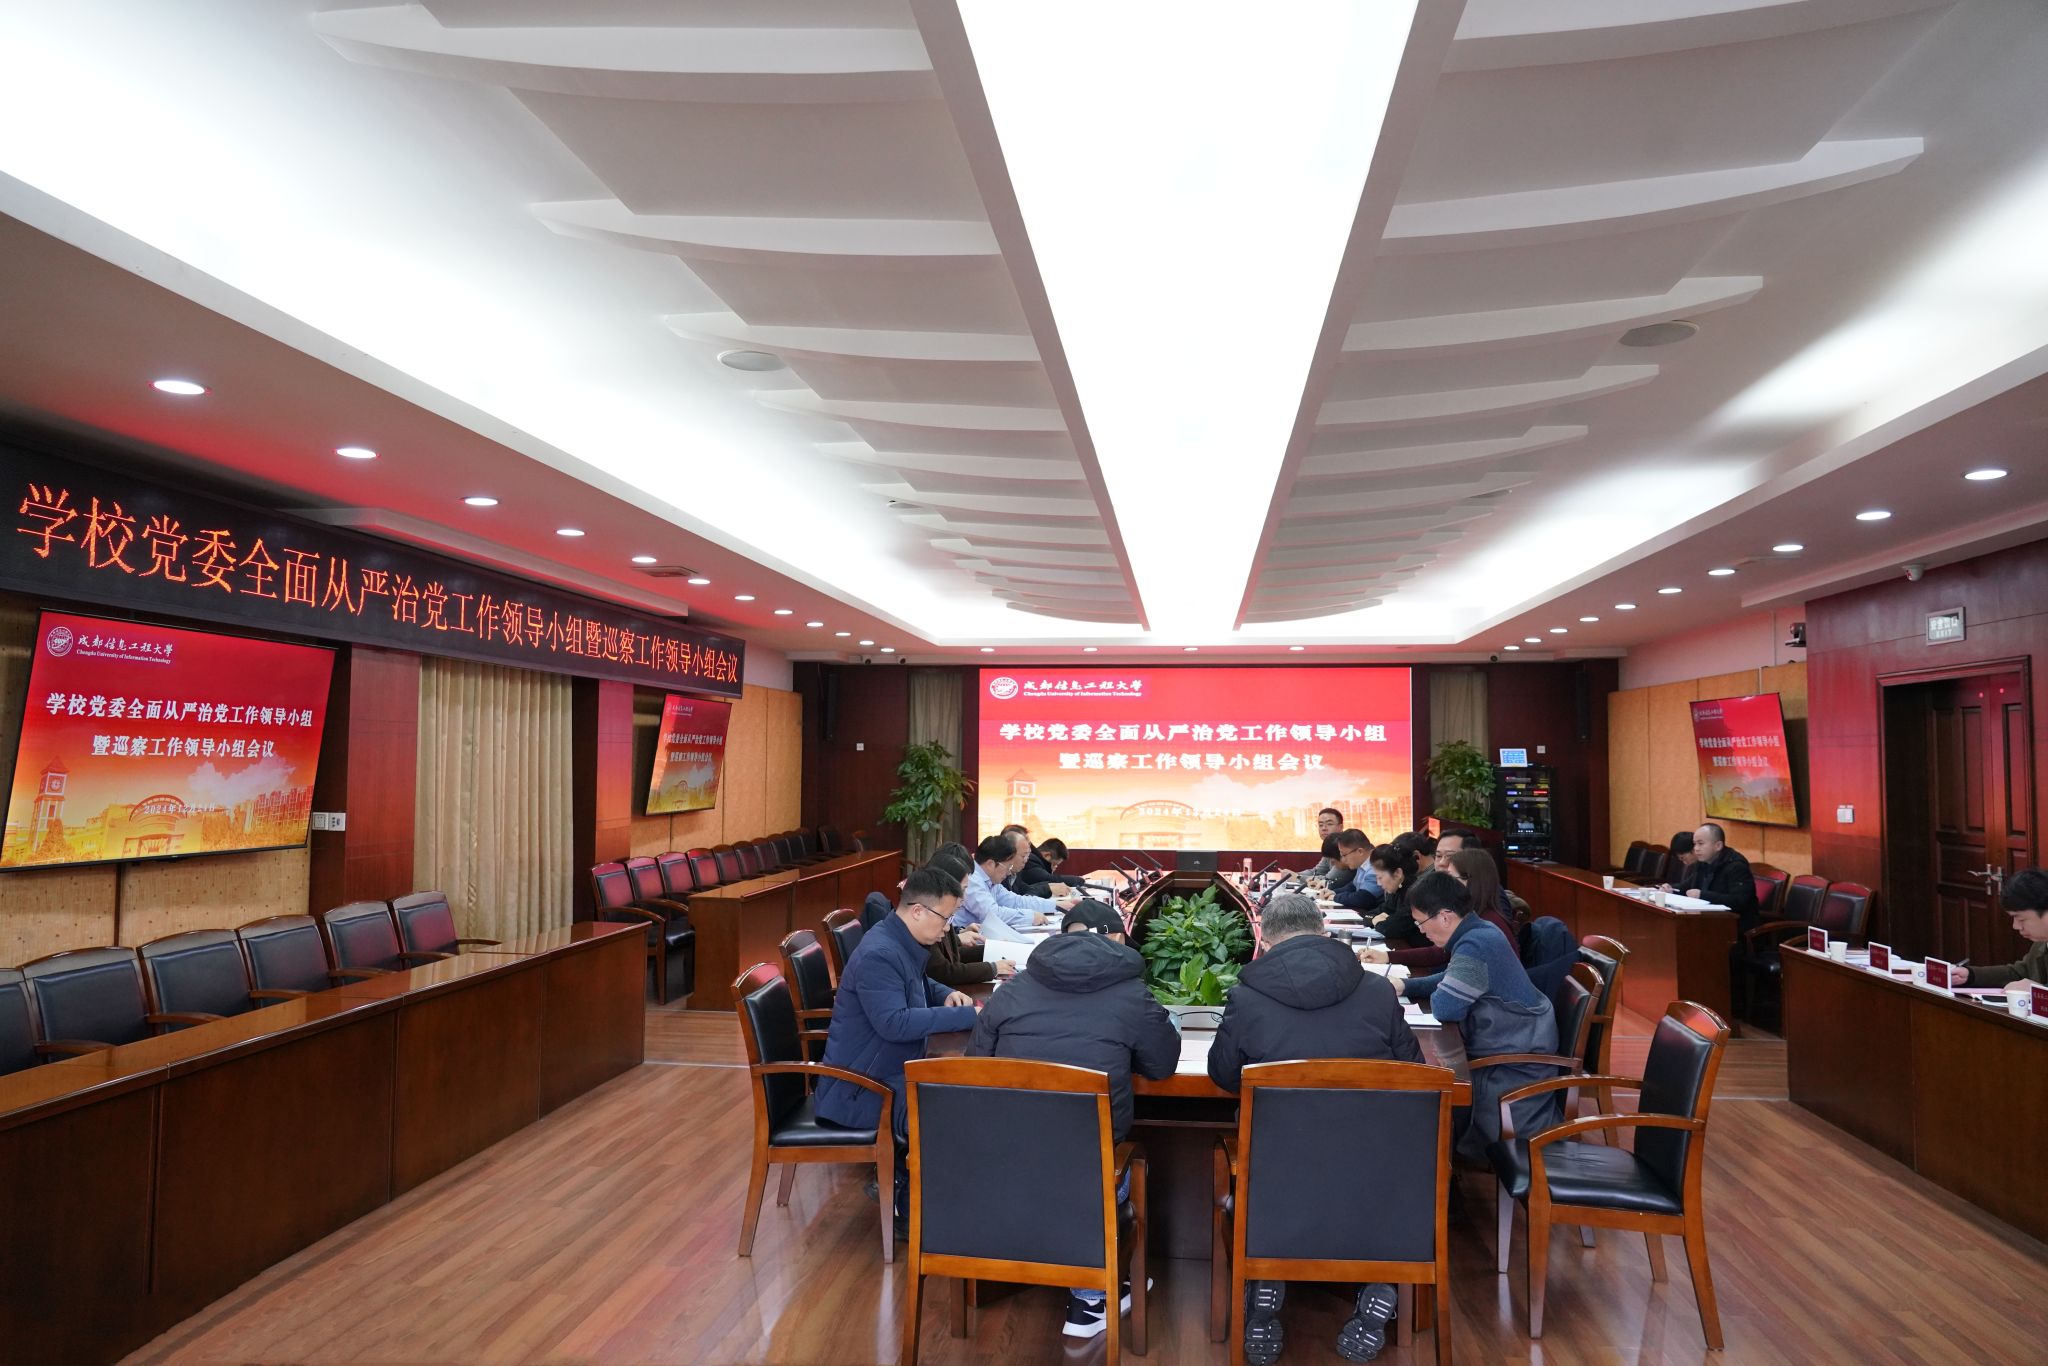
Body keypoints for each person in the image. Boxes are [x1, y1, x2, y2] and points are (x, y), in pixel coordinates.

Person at [1207, 893, 1417, 1364]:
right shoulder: (1377, 991)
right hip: (1372, 1163)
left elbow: (1223, 1075)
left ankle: (1266, 1274)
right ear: (1324, 932)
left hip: (1278, 1165)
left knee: (1254, 1152)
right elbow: (1412, 1071)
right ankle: (1380, 1278)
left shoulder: (1246, 996)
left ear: (1264, 940)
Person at [967, 897, 1178, 1339]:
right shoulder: (1130, 994)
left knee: (1052, 1159)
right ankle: (1089, 1298)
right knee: (1106, 1162)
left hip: (1001, 1161)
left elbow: (976, 1068)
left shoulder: (1013, 990)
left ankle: (1046, 1273)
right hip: (1088, 1172)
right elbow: (1160, 1066)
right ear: (1117, 939)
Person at [815, 867, 981, 1236]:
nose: (948, 928)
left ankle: (924, 1197)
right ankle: (907, 1209)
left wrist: (946, 995)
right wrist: (967, 1015)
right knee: (951, 1109)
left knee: (959, 1098)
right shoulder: (880, 953)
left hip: (884, 1073)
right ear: (918, 911)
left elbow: (919, 981)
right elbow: (894, 1023)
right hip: (861, 1088)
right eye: (945, 918)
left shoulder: (899, 940)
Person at [1400, 871, 1562, 1164]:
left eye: (1420, 922)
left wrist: (1434, 989)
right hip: (1509, 1046)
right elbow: (1450, 978)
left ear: (1444, 916)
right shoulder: (1479, 931)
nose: (1421, 931)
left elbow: (1446, 1006)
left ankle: (1439, 1167)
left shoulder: (1477, 944)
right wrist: (1405, 985)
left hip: (1513, 1064)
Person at [1362, 847, 1516, 973]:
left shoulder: (1487, 924)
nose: (1446, 885)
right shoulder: (1470, 915)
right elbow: (1440, 952)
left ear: (1472, 881)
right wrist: (1388, 956)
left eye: (1451, 878)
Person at [954, 833, 1074, 942]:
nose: (1009, 872)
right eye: (1008, 867)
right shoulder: (973, 879)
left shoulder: (990, 879)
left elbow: (1015, 901)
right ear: (991, 864)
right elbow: (992, 914)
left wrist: (1055, 906)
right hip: (964, 945)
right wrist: (1029, 916)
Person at [1953, 869, 2048, 987]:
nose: (2015, 926)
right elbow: (2020, 973)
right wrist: (1971, 975)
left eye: (2021, 919)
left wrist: (2038, 991)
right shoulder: (2041, 943)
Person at [1666, 822, 1758, 930]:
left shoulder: (1736, 866)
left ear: (1718, 846)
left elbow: (1739, 902)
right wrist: (1671, 889)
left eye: (1700, 843)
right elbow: (1688, 885)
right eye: (1695, 844)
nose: (1696, 849)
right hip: (1707, 920)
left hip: (1733, 926)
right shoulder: (1703, 861)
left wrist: (1703, 895)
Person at [1359, 842, 1431, 950]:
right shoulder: (1397, 890)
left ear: (1397, 873)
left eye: (1380, 877)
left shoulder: (1416, 894)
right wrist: (1377, 920)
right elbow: (1369, 915)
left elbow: (1389, 928)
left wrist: (1377, 921)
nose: (1378, 883)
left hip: (1419, 953)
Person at [1329, 830, 1384, 915]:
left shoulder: (1376, 864)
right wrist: (1334, 892)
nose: (1344, 860)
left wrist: (1336, 897)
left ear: (1360, 851)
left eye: (1344, 855)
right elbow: (1353, 886)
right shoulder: (1363, 863)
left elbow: (1363, 898)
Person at [1305, 808, 1346, 878]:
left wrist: (1298, 877)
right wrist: (1293, 874)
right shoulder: (1329, 846)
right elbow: (1317, 871)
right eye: (1320, 825)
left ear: (1341, 827)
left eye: (1329, 824)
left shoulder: (1345, 847)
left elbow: (1330, 879)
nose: (1324, 828)